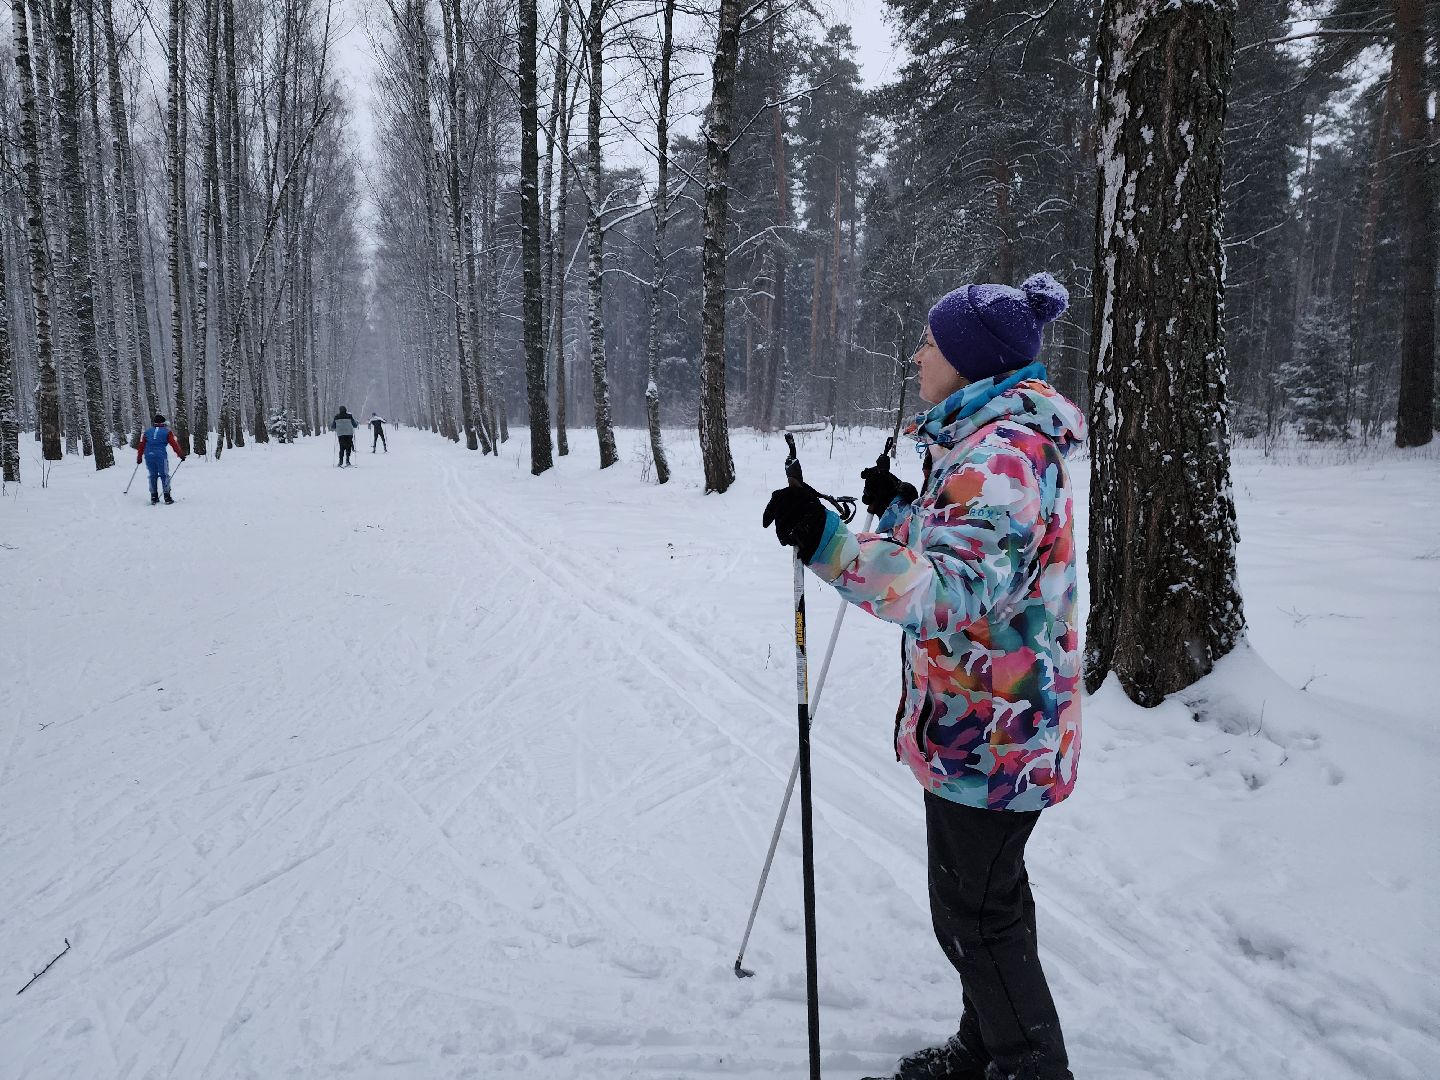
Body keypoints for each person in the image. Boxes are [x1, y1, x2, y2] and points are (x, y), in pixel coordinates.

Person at [762, 272, 1084, 1080]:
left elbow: (949, 590)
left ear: (970, 361)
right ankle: (987, 1048)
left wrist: (832, 545)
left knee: (976, 918)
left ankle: (1030, 1068)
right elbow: (972, 560)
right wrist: (905, 512)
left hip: (996, 735)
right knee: (984, 908)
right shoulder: (983, 442)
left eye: (931, 344)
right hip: (985, 725)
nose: (916, 354)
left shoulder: (1000, 457)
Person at [136, 413, 187, 505]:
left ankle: (154, 496)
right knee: (164, 475)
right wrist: (180, 455)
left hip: (149, 455)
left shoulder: (147, 432)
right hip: (160, 456)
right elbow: (174, 444)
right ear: (163, 423)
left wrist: (139, 457)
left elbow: (141, 445)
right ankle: (167, 497)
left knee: (152, 475)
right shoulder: (167, 432)